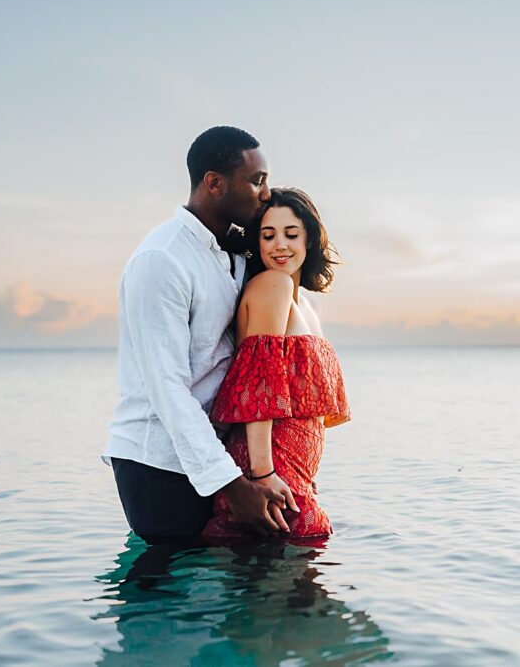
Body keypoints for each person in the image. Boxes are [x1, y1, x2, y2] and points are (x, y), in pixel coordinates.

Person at [103, 126, 293, 544]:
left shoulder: (238, 253)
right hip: (159, 464)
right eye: (257, 180)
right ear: (214, 183)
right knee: (170, 598)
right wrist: (231, 485)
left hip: (215, 452)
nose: (266, 193)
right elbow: (167, 388)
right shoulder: (162, 259)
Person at [203, 188, 350, 541]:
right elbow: (259, 385)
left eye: (291, 234)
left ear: (310, 239)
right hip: (269, 467)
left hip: (292, 471)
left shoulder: (306, 304)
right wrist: (263, 472)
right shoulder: (273, 285)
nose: (279, 245)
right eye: (268, 236)